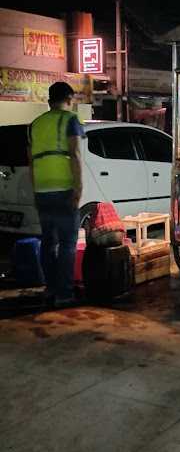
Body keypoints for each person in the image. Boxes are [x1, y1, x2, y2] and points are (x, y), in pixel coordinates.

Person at [28, 81, 84, 307]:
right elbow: (75, 154)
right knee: (68, 243)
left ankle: (50, 289)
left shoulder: (35, 124)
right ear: (69, 99)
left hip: (42, 190)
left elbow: (30, 161)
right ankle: (64, 293)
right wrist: (78, 188)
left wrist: (35, 190)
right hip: (63, 188)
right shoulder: (70, 120)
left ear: (49, 100)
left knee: (48, 242)